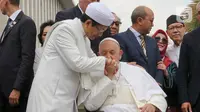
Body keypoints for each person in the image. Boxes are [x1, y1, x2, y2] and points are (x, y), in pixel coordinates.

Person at [26, 2, 115, 112]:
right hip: (50, 97)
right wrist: (105, 61)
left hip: (66, 98)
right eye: (100, 30)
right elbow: (77, 63)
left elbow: (93, 59)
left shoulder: (85, 39)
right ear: (88, 23)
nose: (100, 35)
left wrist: (113, 65)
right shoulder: (65, 30)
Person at [83, 38, 167, 112]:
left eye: (112, 52)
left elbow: (158, 95)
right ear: (99, 55)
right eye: (104, 53)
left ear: (120, 54)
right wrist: (109, 77)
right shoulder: (93, 73)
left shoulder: (136, 70)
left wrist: (153, 105)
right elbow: (90, 106)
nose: (108, 56)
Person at [0, 0, 36, 112]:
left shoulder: (26, 22)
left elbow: (27, 58)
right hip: (4, 90)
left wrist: (17, 88)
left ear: (6, 1)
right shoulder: (10, 23)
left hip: (15, 93)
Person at [113, 6, 164, 86]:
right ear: (140, 20)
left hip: (155, 90)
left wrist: (158, 82)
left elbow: (160, 65)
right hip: (134, 90)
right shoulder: (120, 39)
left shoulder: (152, 41)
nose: (153, 24)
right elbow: (122, 67)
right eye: (151, 21)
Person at [177, 2, 200, 112]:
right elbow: (182, 71)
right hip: (196, 100)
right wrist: (184, 99)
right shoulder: (189, 39)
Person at [152, 29, 179, 112]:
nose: (161, 41)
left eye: (164, 40)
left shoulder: (171, 64)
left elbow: (175, 86)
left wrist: (166, 73)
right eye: (157, 39)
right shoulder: (144, 59)